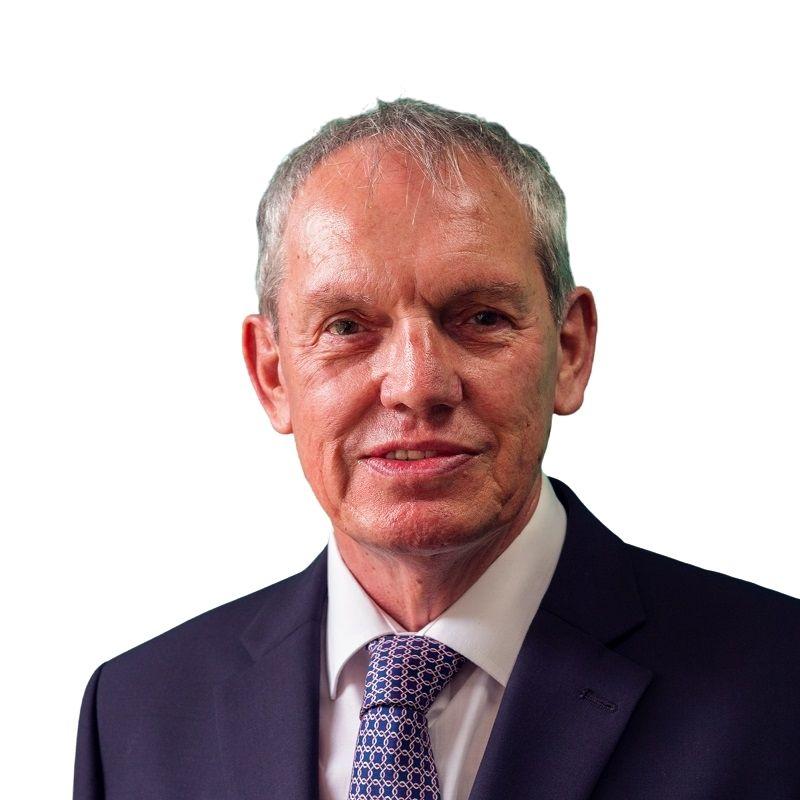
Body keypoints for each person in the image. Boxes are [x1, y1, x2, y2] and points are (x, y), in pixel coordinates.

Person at [73, 99, 800, 800]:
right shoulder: (135, 714)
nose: (416, 386)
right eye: (348, 327)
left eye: (480, 316)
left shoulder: (780, 686)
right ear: (272, 376)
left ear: (570, 350)